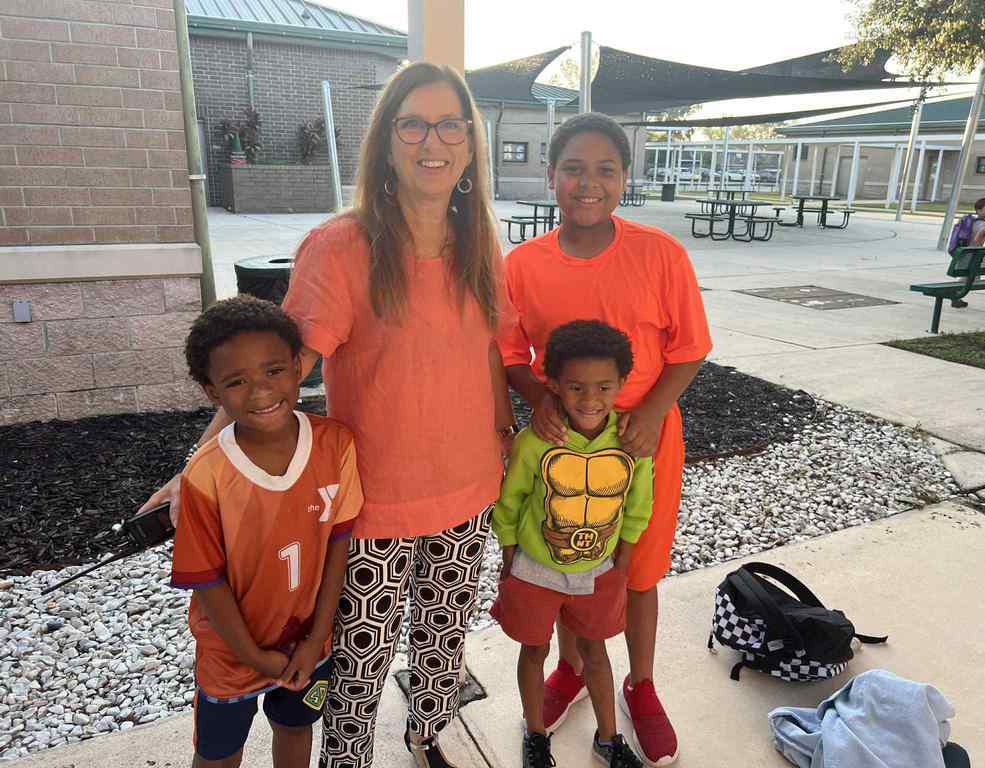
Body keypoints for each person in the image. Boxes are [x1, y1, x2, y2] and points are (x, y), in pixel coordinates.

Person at [143, 62, 515, 768]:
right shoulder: (341, 247)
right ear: (386, 140)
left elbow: (490, 353)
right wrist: (198, 465)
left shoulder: (480, 245)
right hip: (369, 505)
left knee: (442, 644)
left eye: (449, 124)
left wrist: (508, 437)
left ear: (469, 143)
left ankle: (426, 737)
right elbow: (279, 378)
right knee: (355, 671)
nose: (431, 140)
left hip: (469, 491)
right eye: (413, 123)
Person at [498, 112, 712, 767]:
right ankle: (569, 668)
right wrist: (539, 404)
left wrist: (649, 411)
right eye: (572, 168)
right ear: (551, 174)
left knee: (633, 570)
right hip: (561, 448)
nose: (587, 183)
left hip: (642, 442)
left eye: (604, 170)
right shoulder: (524, 265)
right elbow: (510, 351)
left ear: (625, 177)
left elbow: (691, 349)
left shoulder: (660, 253)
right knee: (564, 558)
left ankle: (639, 685)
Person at [170, 295, 363, 768]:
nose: (259, 392)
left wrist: (318, 636)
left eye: (274, 371)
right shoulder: (207, 473)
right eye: (236, 381)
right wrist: (253, 655)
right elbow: (207, 579)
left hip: (307, 646)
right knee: (218, 753)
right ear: (212, 392)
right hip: (232, 656)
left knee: (296, 730)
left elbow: (338, 545)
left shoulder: (336, 443)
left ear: (299, 367)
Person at [491, 320, 652, 768]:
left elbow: (639, 505)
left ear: (621, 383)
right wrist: (509, 557)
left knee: (596, 653)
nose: (590, 399)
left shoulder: (631, 442)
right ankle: (536, 735)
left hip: (598, 571)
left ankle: (609, 738)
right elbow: (510, 500)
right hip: (532, 570)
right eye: (576, 387)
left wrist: (623, 561)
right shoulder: (535, 442)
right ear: (554, 385)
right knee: (534, 650)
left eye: (604, 387)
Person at [950, 197, 985, 309]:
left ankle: (956, 297)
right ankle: (954, 295)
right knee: (969, 279)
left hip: (964, 252)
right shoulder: (984, 224)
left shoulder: (970, 220)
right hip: (973, 254)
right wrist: (979, 242)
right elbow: (978, 238)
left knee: (969, 278)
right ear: (979, 210)